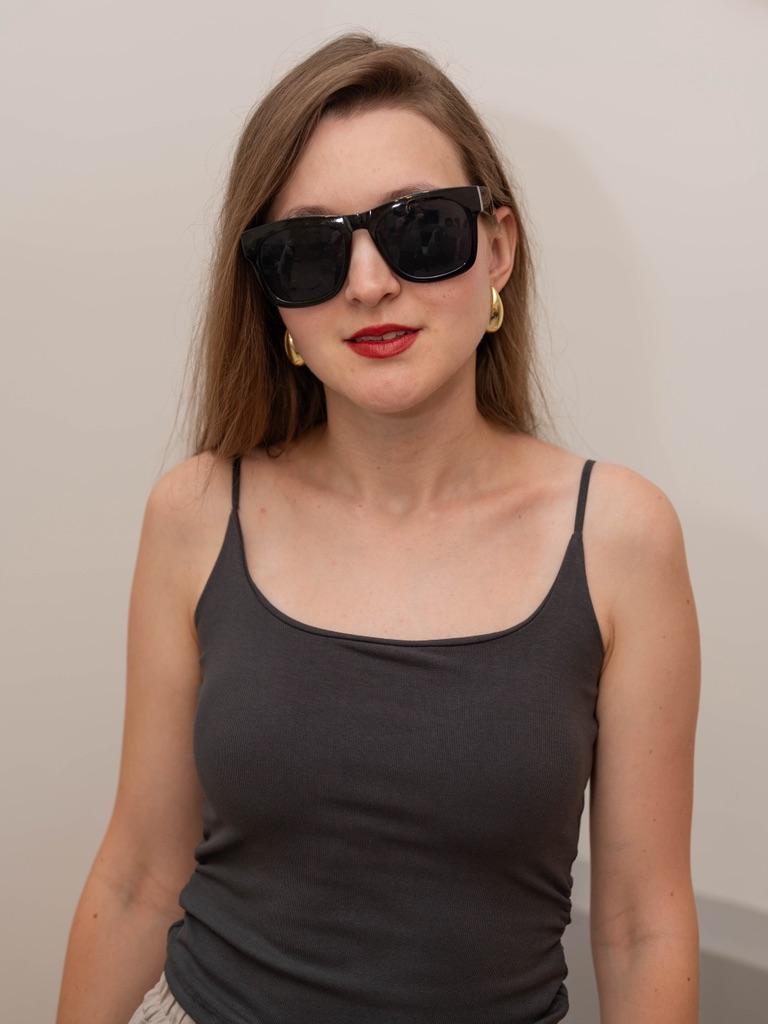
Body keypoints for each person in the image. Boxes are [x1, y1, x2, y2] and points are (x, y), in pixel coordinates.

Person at [56, 31, 701, 1024]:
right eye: (311, 250)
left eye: (419, 228)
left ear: (498, 247)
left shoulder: (620, 539)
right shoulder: (195, 513)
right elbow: (140, 875)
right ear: (272, 296)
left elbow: (641, 924)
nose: (367, 284)